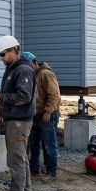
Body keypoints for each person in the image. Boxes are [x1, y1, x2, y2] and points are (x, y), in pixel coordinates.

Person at [0, 36, 36, 191]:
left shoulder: (23, 70)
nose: (1, 58)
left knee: (16, 161)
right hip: (15, 120)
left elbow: (23, 96)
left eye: (2, 54)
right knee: (21, 160)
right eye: (0, 55)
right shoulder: (13, 67)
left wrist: (0, 98)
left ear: (13, 50)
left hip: (19, 122)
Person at [22, 52, 61, 182]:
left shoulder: (45, 74)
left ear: (34, 63)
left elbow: (54, 94)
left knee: (48, 144)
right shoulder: (32, 74)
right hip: (35, 113)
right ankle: (34, 168)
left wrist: (48, 111)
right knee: (33, 142)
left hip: (47, 114)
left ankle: (51, 171)